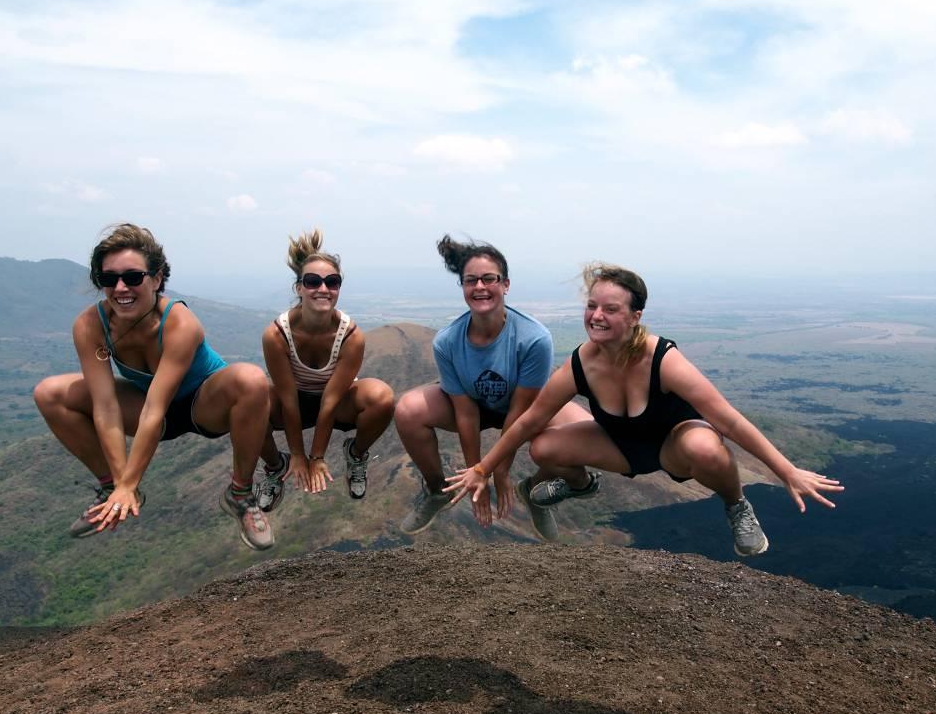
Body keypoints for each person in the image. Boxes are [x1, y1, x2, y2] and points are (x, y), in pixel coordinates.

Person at [445, 263, 843, 555]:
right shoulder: (583, 362)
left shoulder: (663, 360)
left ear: (636, 317)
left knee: (706, 448)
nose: (597, 316)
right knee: (543, 448)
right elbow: (531, 417)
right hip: (621, 448)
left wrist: (786, 470)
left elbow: (728, 419)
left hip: (675, 445)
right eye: (592, 305)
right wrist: (482, 469)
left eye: (611, 309)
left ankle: (737, 506)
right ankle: (581, 486)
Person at [33, 223, 275, 550]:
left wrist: (132, 479)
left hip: (203, 405)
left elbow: (155, 410)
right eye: (108, 279)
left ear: (157, 279)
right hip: (145, 407)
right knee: (50, 393)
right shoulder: (90, 325)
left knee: (251, 379)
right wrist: (123, 485)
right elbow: (105, 407)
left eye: (133, 277)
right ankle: (110, 488)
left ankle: (241, 495)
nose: (121, 288)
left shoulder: (179, 323)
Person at [395, 235, 595, 540]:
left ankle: (534, 491)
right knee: (408, 410)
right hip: (474, 406)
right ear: (462, 286)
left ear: (505, 284)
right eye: (471, 280)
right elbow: (465, 413)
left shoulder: (533, 338)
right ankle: (437, 491)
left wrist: (499, 471)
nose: (479, 287)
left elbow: (522, 410)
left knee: (587, 433)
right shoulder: (448, 341)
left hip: (523, 407)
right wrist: (478, 476)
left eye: (489, 279)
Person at [255, 229, 395, 516]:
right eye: (312, 281)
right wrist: (297, 454)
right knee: (248, 403)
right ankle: (274, 466)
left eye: (332, 282)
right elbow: (289, 399)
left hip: (336, 402)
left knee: (382, 397)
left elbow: (330, 401)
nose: (323, 288)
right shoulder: (277, 334)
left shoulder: (351, 335)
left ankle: (355, 455)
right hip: (292, 400)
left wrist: (316, 456)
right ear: (299, 288)